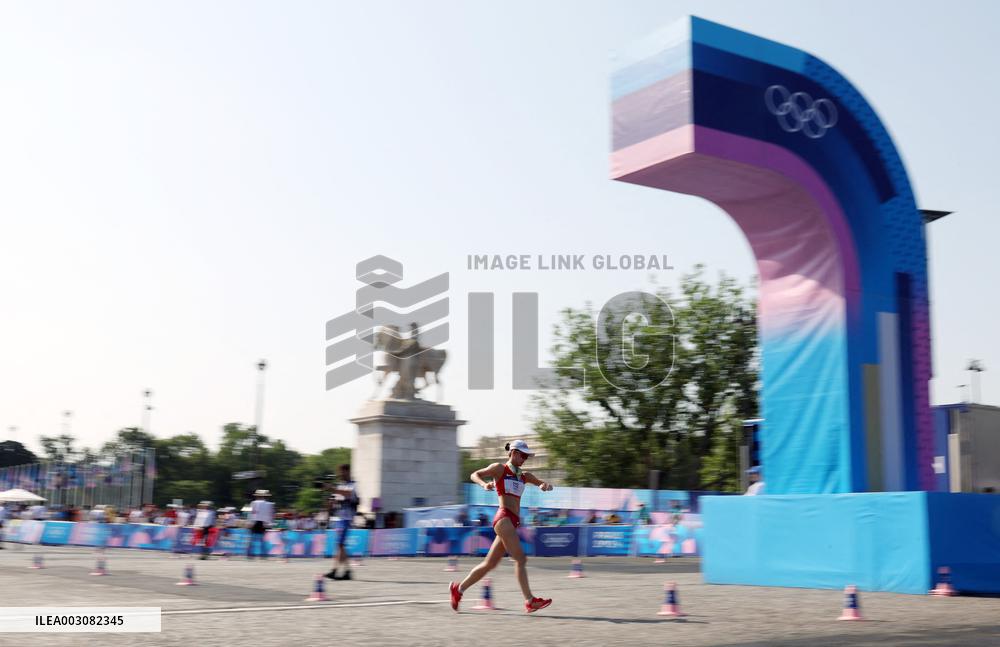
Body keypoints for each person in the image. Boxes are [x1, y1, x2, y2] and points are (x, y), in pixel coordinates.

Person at [450, 440, 554, 614]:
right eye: (522, 455)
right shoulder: (499, 469)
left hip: (512, 522)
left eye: (526, 456)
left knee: (489, 564)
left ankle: (458, 590)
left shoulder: (524, 476)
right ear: (512, 453)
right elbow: (474, 474)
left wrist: (545, 485)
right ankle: (529, 601)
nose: (524, 459)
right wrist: (484, 485)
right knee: (521, 559)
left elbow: (542, 483)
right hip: (503, 518)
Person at [324, 464, 359, 581]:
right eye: (340, 472)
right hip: (340, 518)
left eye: (342, 472)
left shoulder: (353, 485)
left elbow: (347, 494)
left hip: (347, 518)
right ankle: (347, 571)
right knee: (340, 545)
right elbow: (335, 499)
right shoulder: (341, 485)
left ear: (348, 472)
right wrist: (330, 503)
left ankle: (336, 570)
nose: (340, 475)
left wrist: (332, 488)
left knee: (340, 544)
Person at [247, 489, 274, 559]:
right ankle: (263, 555)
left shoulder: (253, 503)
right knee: (262, 540)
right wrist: (270, 524)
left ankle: (250, 555)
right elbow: (270, 515)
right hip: (264, 523)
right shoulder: (269, 504)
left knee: (252, 540)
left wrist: (249, 523)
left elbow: (250, 514)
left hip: (254, 522)